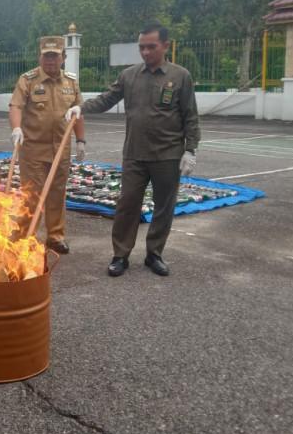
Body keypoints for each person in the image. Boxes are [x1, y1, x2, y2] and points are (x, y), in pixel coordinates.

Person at [66, 22, 200, 277]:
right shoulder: (129, 75)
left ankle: (154, 254)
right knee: (127, 205)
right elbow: (107, 98)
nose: (146, 52)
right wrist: (80, 108)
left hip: (168, 155)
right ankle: (120, 255)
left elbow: (190, 116)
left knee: (164, 206)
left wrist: (190, 149)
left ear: (165, 45)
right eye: (142, 47)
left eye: (152, 47)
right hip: (135, 155)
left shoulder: (180, 76)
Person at [9, 36, 86, 255]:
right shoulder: (28, 80)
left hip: (61, 149)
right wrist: (16, 128)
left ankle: (55, 236)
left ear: (64, 57)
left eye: (55, 56)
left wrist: (80, 140)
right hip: (33, 149)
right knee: (31, 195)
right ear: (40, 56)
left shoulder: (71, 82)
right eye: (46, 56)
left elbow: (78, 113)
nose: (50, 61)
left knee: (57, 194)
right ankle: (25, 237)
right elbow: (16, 106)